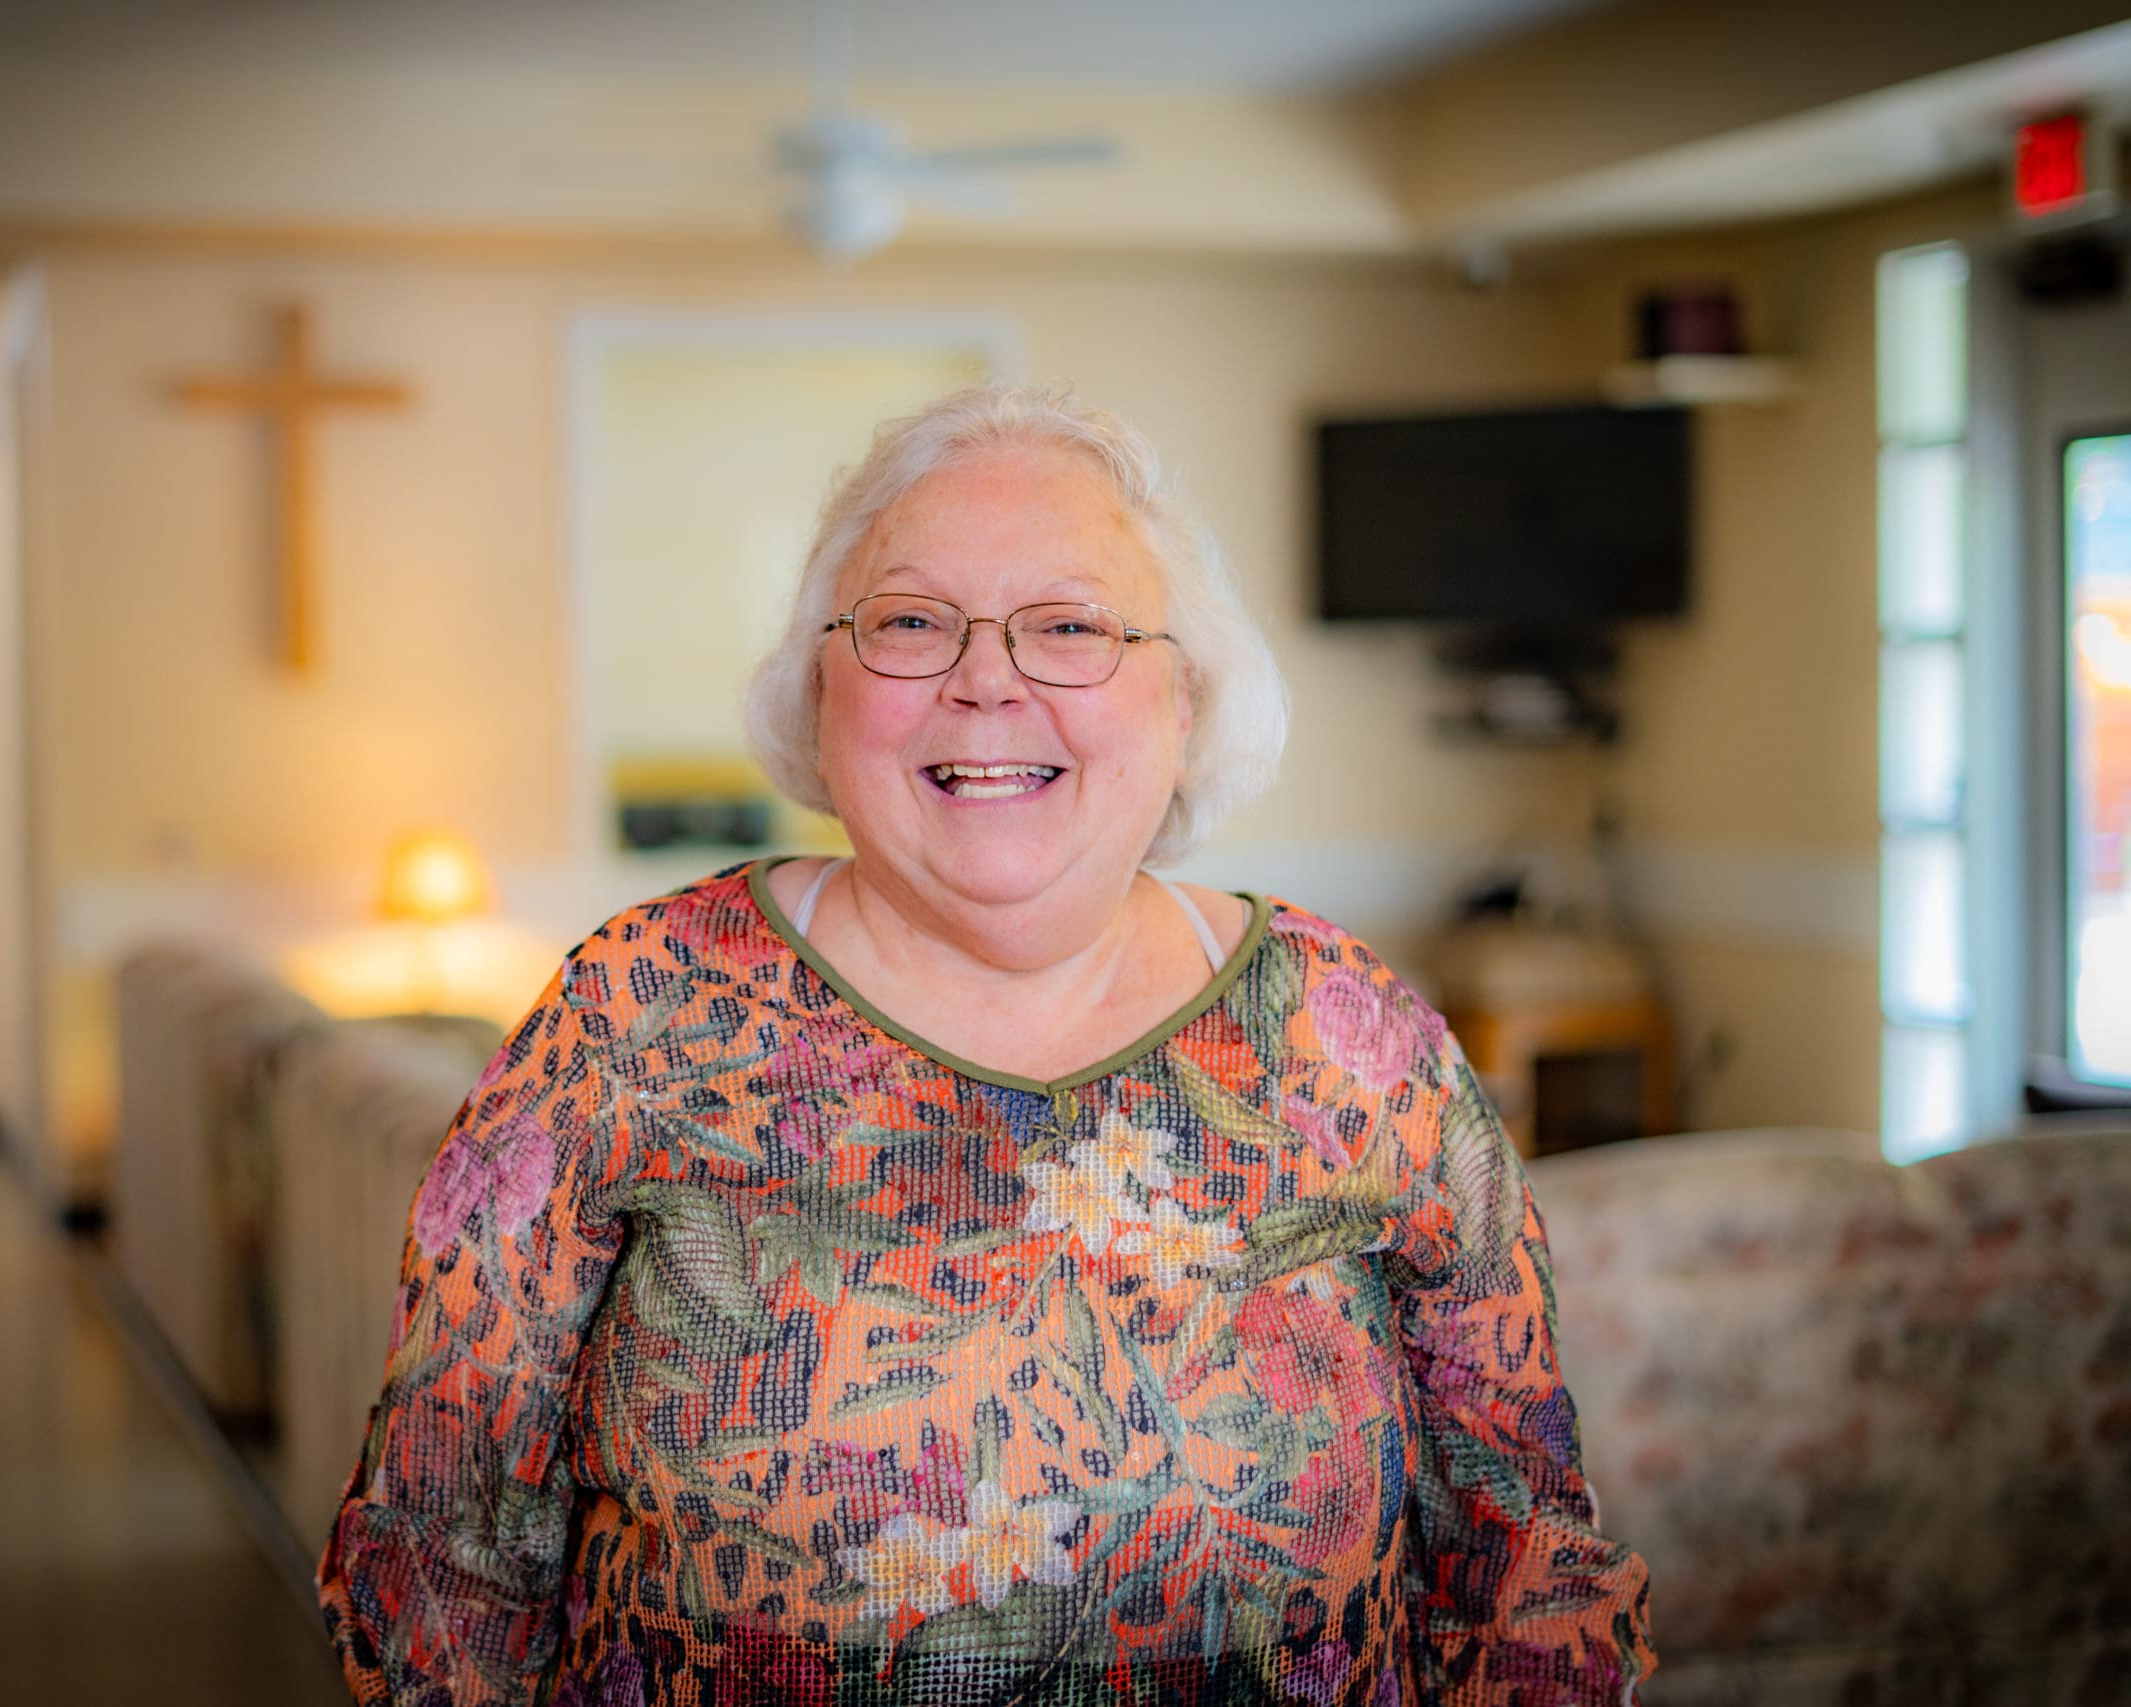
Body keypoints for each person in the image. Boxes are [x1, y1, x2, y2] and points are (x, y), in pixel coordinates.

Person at [318, 383, 1654, 1705]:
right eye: (912, 622)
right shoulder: (633, 1017)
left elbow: (1524, 1546)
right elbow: (443, 1551)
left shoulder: (1348, 1040)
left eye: (1068, 626)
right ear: (820, 686)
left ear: (1181, 701)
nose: (985, 680)